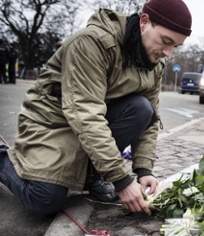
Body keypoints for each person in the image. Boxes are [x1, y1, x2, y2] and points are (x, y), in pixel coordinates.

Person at [0, 0, 192, 216]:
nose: (167, 53)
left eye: (175, 46)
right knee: (44, 200)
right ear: (144, 22)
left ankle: (93, 175)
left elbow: (151, 119)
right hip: (51, 121)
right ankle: (2, 159)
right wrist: (121, 179)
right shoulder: (91, 43)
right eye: (165, 41)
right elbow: (86, 114)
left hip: (90, 122)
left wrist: (143, 169)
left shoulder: (155, 61)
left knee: (142, 109)